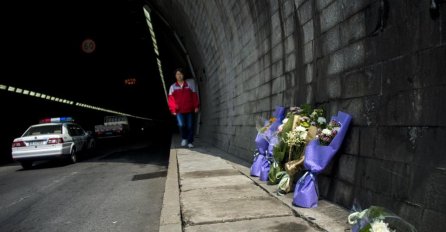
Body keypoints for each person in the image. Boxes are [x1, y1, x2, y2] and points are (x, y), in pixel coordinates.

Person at [167, 68, 199, 148]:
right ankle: (184, 138)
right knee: (181, 125)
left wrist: (196, 106)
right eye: (177, 74)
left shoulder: (189, 85)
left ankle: (190, 142)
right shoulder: (173, 87)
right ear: (175, 76)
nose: (179, 75)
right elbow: (171, 100)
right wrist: (173, 109)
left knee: (190, 126)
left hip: (189, 109)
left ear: (183, 75)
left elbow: (194, 96)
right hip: (179, 111)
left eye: (180, 74)